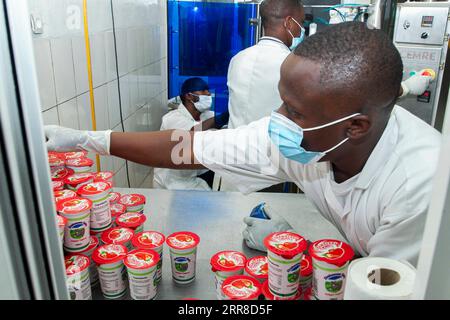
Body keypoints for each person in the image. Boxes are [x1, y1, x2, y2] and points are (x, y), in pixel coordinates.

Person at [45, 22, 441, 266]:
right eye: (283, 102)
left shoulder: (420, 188)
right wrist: (86, 140)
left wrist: (298, 254)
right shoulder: (306, 138)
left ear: (353, 127)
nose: (279, 119)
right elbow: (185, 147)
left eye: (296, 112)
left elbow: (384, 285)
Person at [153, 78, 215, 191]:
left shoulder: (207, 115)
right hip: (172, 180)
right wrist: (217, 121)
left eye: (208, 90)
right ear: (189, 96)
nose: (208, 93)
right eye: (203, 90)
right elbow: (190, 133)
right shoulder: (172, 119)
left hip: (196, 173)